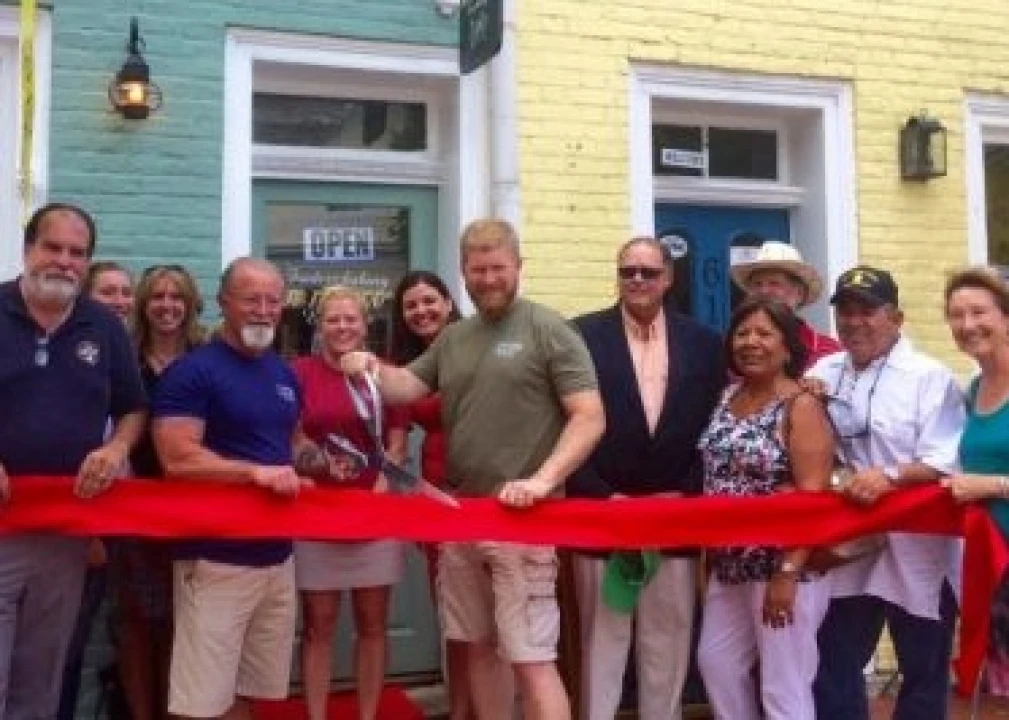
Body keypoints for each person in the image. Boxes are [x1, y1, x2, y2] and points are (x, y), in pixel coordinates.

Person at [341, 219, 605, 720]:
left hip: (525, 521)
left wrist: (543, 481)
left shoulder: (550, 329)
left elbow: (589, 416)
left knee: (532, 661)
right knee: (478, 649)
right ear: (463, 273)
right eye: (478, 270)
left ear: (518, 267)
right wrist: (370, 368)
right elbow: (406, 387)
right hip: (462, 516)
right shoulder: (454, 338)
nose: (488, 279)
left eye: (498, 268)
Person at [0, 202, 147, 719]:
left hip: (66, 529)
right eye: (53, 247)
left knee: (42, 675)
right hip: (2, 523)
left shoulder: (102, 326)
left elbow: (132, 407)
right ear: (28, 249)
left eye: (77, 252)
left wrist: (116, 448)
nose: (64, 261)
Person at [568, 237, 725, 720]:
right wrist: (600, 495)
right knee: (601, 644)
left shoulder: (705, 343)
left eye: (648, 272)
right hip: (603, 513)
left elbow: (714, 427)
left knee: (667, 643)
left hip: (673, 516)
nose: (637, 280)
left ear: (668, 278)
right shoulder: (579, 336)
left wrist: (685, 494)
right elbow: (563, 423)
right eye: (628, 271)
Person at [152, 257, 311, 720]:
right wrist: (255, 474)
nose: (263, 310)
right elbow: (177, 459)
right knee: (201, 702)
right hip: (215, 559)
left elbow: (293, 443)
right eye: (251, 300)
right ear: (224, 302)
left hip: (276, 558)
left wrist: (324, 461)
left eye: (272, 301)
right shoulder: (192, 372)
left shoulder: (282, 373)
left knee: (248, 693)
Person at [808, 266, 965, 720]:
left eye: (867, 311)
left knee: (923, 670)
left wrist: (890, 476)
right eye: (845, 311)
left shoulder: (929, 376)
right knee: (833, 664)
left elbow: (946, 459)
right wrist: (802, 399)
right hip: (850, 541)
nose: (855, 321)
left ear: (896, 318)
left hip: (919, 545)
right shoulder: (822, 372)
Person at [695, 298, 834, 720]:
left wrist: (787, 572)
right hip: (731, 565)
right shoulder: (726, 397)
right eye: (742, 333)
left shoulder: (801, 405)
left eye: (764, 333)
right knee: (716, 664)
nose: (750, 342)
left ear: (787, 347)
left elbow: (813, 498)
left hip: (784, 565)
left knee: (784, 686)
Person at [292, 285, 408, 720]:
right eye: (332, 320)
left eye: (350, 319)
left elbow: (397, 444)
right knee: (318, 626)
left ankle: (368, 715)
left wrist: (382, 482)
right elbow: (293, 435)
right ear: (319, 326)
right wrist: (313, 466)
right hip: (317, 512)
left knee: (373, 624)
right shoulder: (299, 373)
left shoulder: (385, 374)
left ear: (365, 324)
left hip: (373, 510)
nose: (342, 327)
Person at [390, 270, 484, 720]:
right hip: (434, 492)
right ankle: (460, 707)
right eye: (411, 305)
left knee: (492, 603)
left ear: (448, 302)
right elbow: (391, 443)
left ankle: (493, 706)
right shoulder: (408, 366)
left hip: (485, 485)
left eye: (429, 300)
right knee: (453, 609)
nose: (421, 311)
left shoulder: (478, 347)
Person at [116, 264, 206, 720]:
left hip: (194, 506)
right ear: (143, 304)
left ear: (190, 305)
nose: (167, 306)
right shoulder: (124, 356)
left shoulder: (205, 357)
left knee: (182, 619)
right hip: (132, 503)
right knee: (134, 619)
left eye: (176, 297)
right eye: (157, 297)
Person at [58, 259, 137, 720]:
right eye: (108, 292)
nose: (119, 301)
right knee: (69, 641)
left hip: (130, 519)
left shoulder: (125, 351)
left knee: (115, 631)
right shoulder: (74, 354)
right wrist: (90, 530)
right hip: (84, 518)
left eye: (126, 292)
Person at [941, 267, 1009, 696]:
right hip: (994, 565)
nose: (968, 324)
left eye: (980, 312)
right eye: (957, 314)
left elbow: (984, 480)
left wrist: (991, 486)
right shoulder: (974, 389)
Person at [731, 241, 841, 367]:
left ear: (799, 293)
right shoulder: (738, 349)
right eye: (757, 284)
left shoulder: (828, 352)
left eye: (774, 283)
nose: (764, 291)